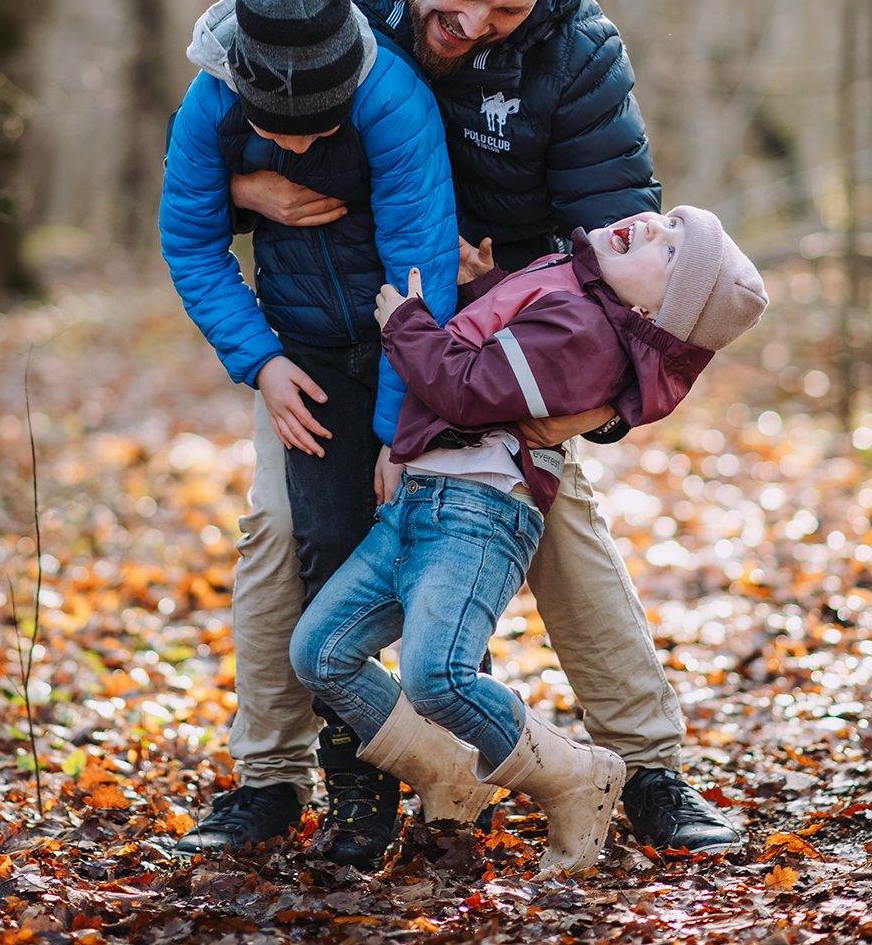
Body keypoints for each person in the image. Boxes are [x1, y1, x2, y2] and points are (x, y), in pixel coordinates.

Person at [178, 0, 745, 859]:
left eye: (505, 8)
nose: (473, 22)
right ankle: (267, 777)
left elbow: (632, 262)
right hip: (329, 322)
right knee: (276, 528)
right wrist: (242, 190)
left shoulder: (576, 58)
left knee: (560, 526)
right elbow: (212, 124)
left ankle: (649, 768)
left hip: (497, 347)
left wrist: (601, 408)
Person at [290, 207, 767, 876]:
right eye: (668, 224)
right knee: (320, 653)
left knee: (437, 678)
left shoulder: (587, 329)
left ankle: (575, 776)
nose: (656, 230)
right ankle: (448, 772)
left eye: (669, 254)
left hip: (479, 512)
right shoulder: (575, 286)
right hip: (421, 499)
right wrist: (491, 286)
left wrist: (404, 322)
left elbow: (466, 389)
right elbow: (516, 349)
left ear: (653, 316)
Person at [159, 0, 458, 863]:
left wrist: (400, 428)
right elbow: (192, 240)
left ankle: (445, 771)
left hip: (403, 346)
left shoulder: (392, 102)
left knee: (415, 547)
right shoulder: (211, 96)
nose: (290, 147)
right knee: (320, 548)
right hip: (304, 356)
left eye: (310, 130)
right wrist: (263, 363)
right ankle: (353, 786)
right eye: (273, 130)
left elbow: (421, 275)